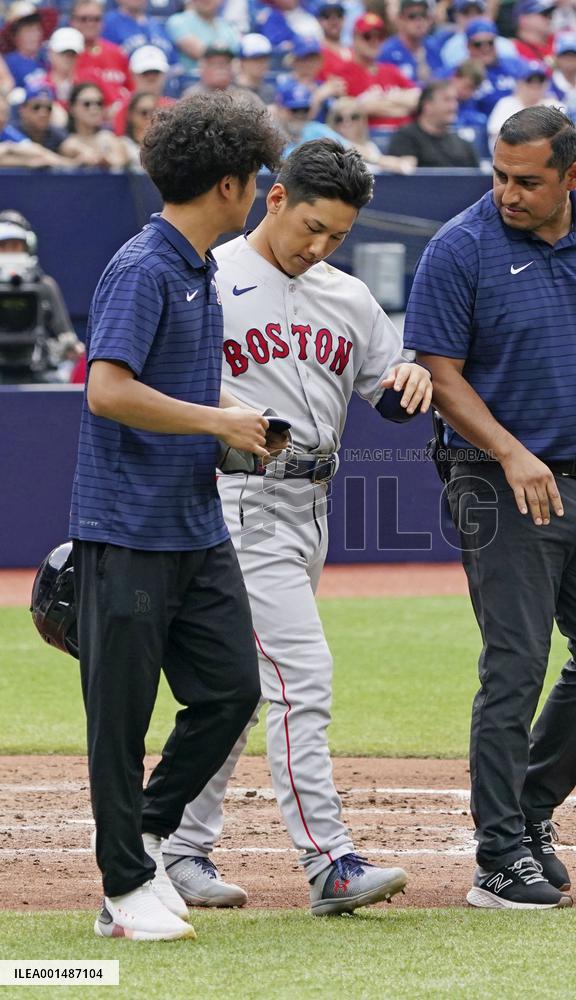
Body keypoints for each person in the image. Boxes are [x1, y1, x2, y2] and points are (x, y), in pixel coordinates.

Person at [162, 139, 431, 915]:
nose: (319, 246)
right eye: (311, 225)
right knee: (301, 675)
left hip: (311, 506)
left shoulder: (346, 296)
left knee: (244, 689)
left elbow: (391, 390)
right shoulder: (209, 281)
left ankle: (180, 847)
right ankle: (328, 860)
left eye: (337, 235)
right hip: (237, 500)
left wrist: (409, 377)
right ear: (273, 198)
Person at [403, 105, 576, 910]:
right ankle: (497, 858)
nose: (507, 192)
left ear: (574, 176)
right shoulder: (459, 248)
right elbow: (437, 371)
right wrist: (511, 453)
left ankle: (529, 810)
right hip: (492, 480)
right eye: (500, 176)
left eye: (528, 181)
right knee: (516, 665)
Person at [69, 92, 285, 942]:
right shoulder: (144, 266)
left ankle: (145, 838)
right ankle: (122, 890)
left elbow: (173, 386)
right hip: (126, 527)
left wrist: (238, 416)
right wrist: (216, 421)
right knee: (118, 719)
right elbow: (106, 389)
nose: (259, 189)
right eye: (256, 177)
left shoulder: (197, 268)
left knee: (232, 691)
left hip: (193, 524)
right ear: (230, 185)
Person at [0, 210, 82, 382]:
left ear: (28, 246)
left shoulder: (45, 286)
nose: (8, 252)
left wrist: (66, 348)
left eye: (14, 245)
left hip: (37, 373)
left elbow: (67, 338)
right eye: (3, 246)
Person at [325, 12, 420, 129]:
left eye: (379, 36)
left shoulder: (391, 70)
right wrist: (400, 103)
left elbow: (417, 100)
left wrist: (380, 101)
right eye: (367, 36)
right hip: (366, 139)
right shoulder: (341, 73)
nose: (374, 41)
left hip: (402, 137)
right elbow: (350, 111)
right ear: (354, 38)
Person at [387, 78, 480, 167]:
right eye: (447, 100)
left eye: (455, 100)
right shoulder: (405, 138)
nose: (454, 106)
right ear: (427, 105)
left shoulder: (463, 145)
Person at [327, 95, 416, 171]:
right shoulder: (330, 147)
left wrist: (400, 163)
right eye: (339, 119)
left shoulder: (370, 147)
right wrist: (386, 161)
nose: (347, 123)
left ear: (362, 121)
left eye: (353, 117)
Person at [71, 0, 133, 111]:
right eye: (83, 19)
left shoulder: (117, 52)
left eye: (96, 19)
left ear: (103, 22)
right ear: (73, 21)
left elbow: (131, 88)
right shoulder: (68, 54)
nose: (90, 23)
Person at [59, 81, 130, 169]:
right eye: (87, 104)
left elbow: (121, 161)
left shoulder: (108, 138)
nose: (94, 108)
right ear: (72, 108)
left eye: (99, 103)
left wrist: (108, 161)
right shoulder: (62, 139)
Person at [487, 59, 555, 151]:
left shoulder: (553, 105)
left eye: (540, 81)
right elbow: (497, 136)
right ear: (519, 83)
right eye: (530, 80)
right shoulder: (505, 104)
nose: (535, 85)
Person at [166, 0, 241, 76]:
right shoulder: (178, 21)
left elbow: (237, 57)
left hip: (226, 82)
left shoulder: (226, 26)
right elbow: (202, 53)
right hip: (191, 81)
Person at [378, 0, 436, 84]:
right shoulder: (386, 52)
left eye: (423, 15)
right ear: (400, 19)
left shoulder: (433, 47)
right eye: (412, 16)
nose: (419, 21)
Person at [235, 33, 275, 104]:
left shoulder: (270, 91)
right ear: (242, 62)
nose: (261, 64)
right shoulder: (230, 90)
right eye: (255, 60)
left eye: (264, 59)